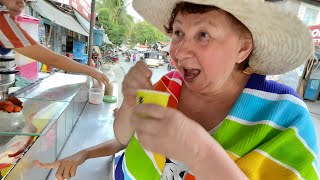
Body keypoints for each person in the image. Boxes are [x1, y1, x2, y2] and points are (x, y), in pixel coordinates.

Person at [37, 0, 319, 180]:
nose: (180, 50)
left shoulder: (287, 116)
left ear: (243, 48)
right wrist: (130, 102)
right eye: (178, 33)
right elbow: (125, 138)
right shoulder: (167, 86)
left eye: (204, 35)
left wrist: (200, 152)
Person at [0, 0, 109, 87]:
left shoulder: (6, 19)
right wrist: (91, 71)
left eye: (25, 0)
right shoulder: (3, 22)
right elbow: (52, 59)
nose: (21, 4)